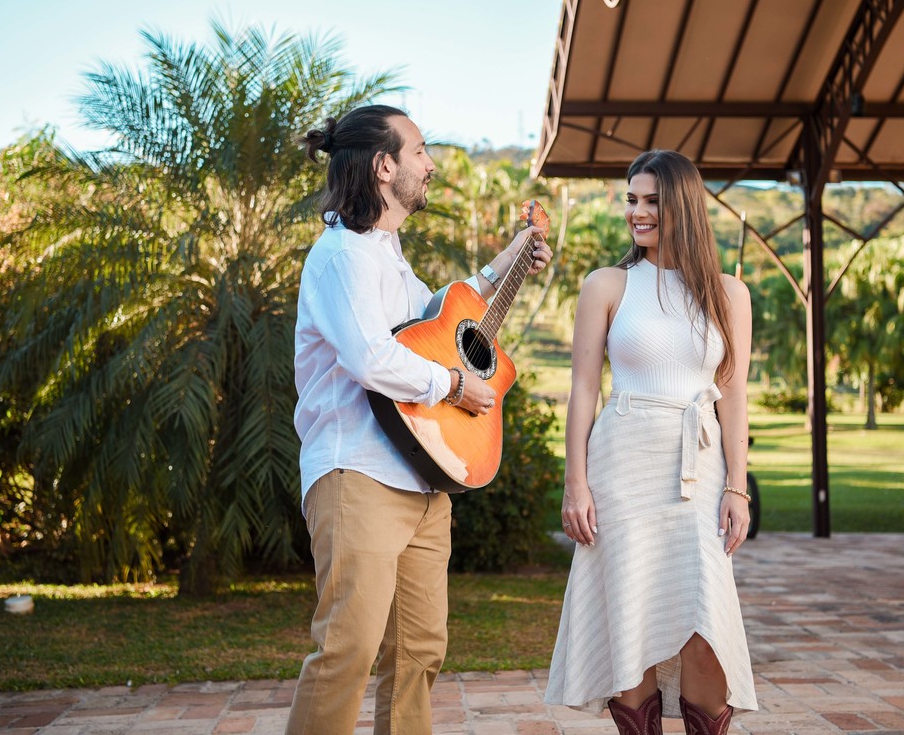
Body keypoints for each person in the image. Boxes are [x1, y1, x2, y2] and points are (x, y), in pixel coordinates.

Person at [286, 104, 552, 735]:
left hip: (423, 480)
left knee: (419, 653)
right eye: (421, 152)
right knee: (348, 649)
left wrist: (509, 259)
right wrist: (457, 384)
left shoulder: (389, 258)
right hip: (359, 473)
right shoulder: (344, 255)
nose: (431, 165)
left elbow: (444, 321)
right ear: (384, 167)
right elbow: (372, 358)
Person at [544, 150, 757, 734]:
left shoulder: (728, 293)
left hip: (700, 467)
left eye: (651, 201)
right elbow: (583, 390)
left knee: (704, 623)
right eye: (632, 200)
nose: (637, 213)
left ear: (682, 206)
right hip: (623, 463)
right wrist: (576, 483)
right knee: (630, 619)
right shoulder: (608, 285)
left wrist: (738, 487)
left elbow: (733, 396)